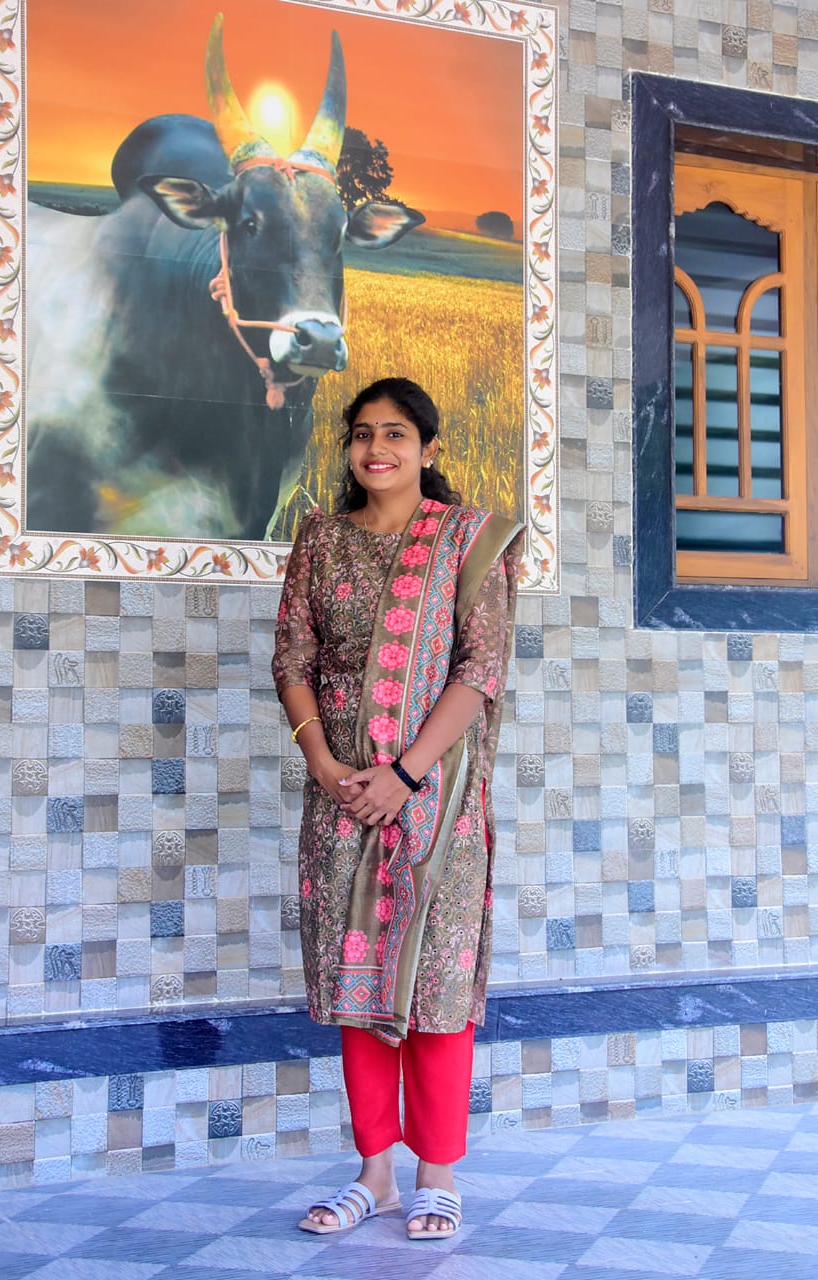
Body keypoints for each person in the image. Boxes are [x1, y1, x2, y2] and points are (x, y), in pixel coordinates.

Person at [272, 377, 523, 1240]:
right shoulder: (320, 538)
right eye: (361, 434)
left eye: (394, 433)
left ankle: (437, 1176)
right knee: (358, 977)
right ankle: (374, 1174)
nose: (374, 448)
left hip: (435, 803)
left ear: (427, 448)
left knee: (435, 983)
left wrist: (405, 777)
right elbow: (292, 659)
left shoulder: (468, 540)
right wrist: (324, 763)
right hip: (342, 798)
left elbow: (479, 670)